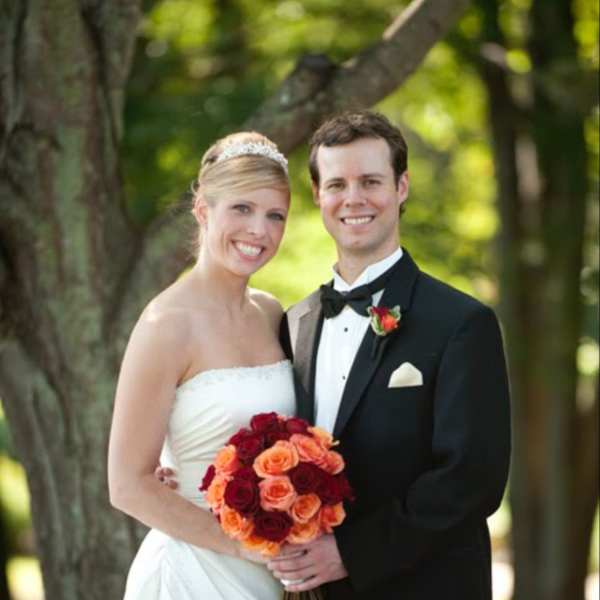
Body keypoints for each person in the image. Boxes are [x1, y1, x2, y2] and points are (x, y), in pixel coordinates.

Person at [269, 111, 511, 600]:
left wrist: (351, 553)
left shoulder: (462, 323)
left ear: (402, 187)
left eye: (371, 181)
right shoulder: (292, 324)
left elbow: (472, 479)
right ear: (317, 194)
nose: (353, 198)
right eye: (337, 184)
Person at [108, 131, 295, 600]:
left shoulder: (271, 313)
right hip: (193, 569)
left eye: (275, 215)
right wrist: (241, 545)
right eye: (242, 208)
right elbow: (127, 485)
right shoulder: (165, 324)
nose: (259, 230)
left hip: (272, 570)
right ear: (202, 210)